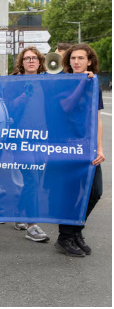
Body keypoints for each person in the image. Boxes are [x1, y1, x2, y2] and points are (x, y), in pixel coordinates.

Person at [54, 44, 104, 257]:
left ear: (89, 61)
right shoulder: (64, 82)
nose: (76, 61)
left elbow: (97, 118)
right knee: (71, 193)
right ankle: (65, 237)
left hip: (88, 145)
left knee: (95, 192)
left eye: (81, 58)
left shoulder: (94, 83)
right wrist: (81, 84)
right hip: (68, 145)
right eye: (73, 58)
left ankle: (76, 230)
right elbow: (66, 107)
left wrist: (99, 148)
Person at [4, 47, 52, 242]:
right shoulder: (13, 83)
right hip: (20, 138)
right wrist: (23, 96)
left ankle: (18, 213)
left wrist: (88, 75)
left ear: (40, 62)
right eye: (27, 58)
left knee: (36, 177)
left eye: (34, 58)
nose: (31, 61)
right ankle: (32, 226)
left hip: (42, 138)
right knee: (31, 177)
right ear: (21, 63)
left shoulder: (47, 82)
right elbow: (7, 108)